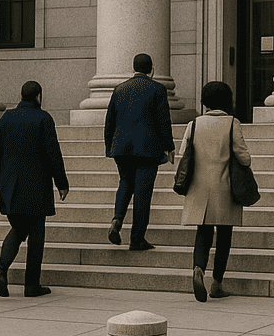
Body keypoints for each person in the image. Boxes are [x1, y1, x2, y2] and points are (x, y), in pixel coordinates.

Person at [0, 80, 69, 298]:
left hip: (11, 187)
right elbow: (53, 154)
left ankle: (1, 270)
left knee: (18, 229)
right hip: (36, 188)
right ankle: (31, 284)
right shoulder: (44, 118)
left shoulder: (6, 117)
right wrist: (61, 183)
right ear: (39, 96)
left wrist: (1, 181)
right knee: (35, 234)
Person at [177, 80, 252, 303]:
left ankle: (198, 268)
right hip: (225, 187)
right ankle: (217, 283)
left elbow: (184, 153)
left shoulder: (194, 124)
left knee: (203, 232)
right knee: (224, 236)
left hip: (199, 188)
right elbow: (244, 157)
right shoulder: (232, 123)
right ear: (227, 100)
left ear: (205, 101)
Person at [103, 52, 175, 252]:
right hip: (147, 149)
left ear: (133, 68)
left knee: (125, 183)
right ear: (152, 69)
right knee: (143, 193)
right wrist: (169, 146)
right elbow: (163, 121)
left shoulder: (119, 89)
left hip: (121, 148)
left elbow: (109, 120)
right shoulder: (157, 89)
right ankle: (137, 238)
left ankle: (117, 220)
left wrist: (110, 146)